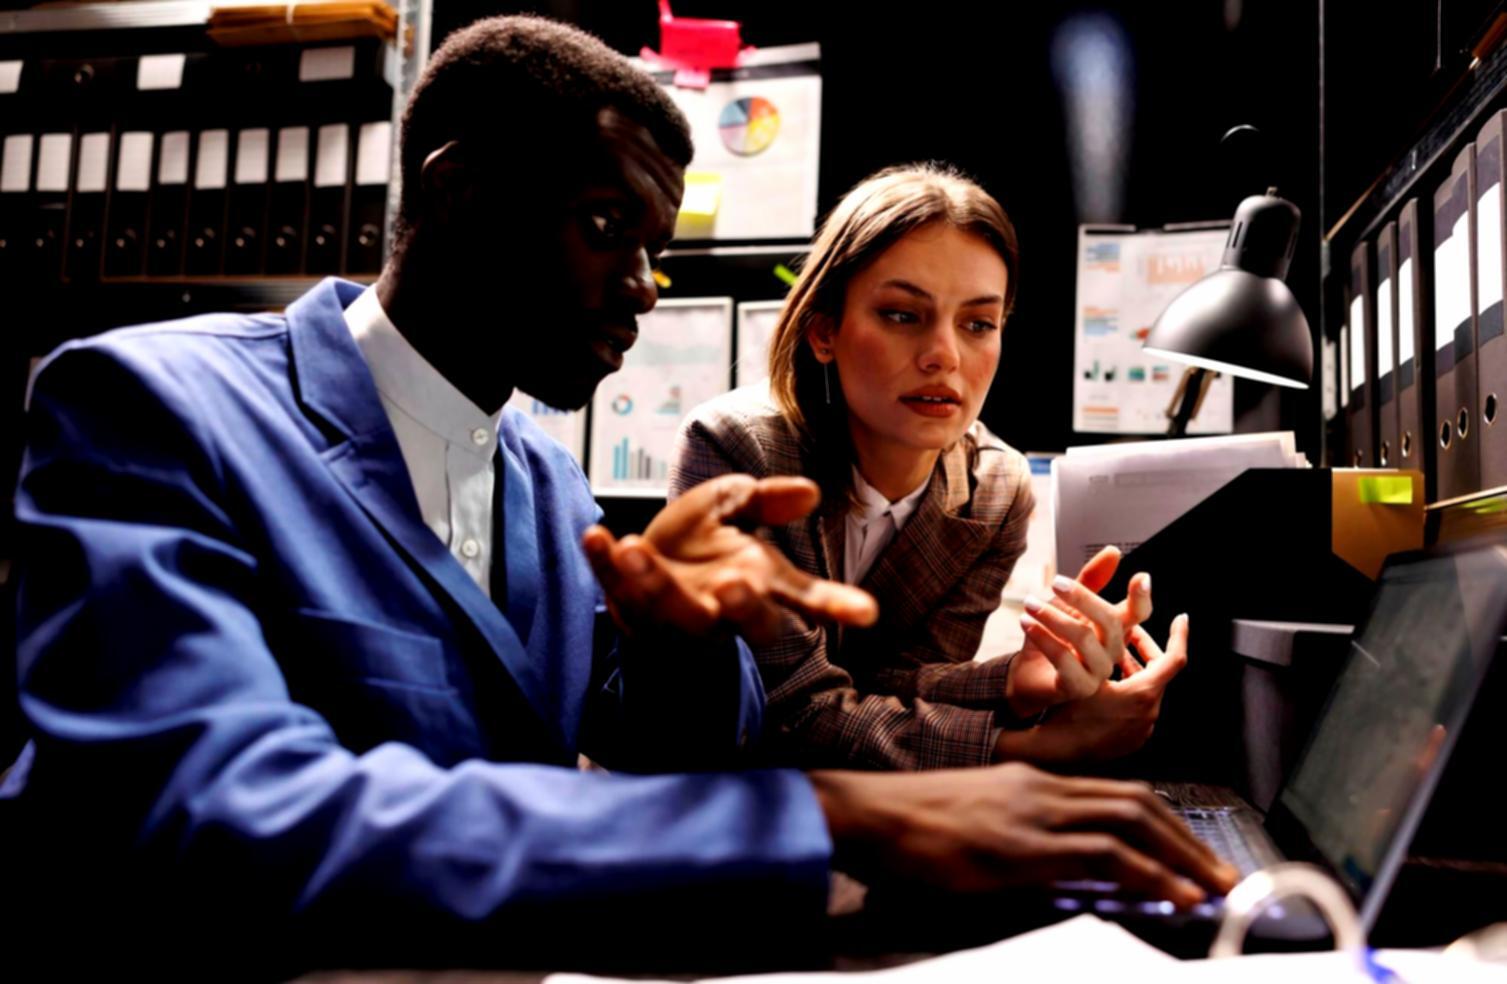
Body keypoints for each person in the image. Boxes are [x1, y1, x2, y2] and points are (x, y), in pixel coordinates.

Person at [5, 17, 1233, 975]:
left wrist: (684, 650)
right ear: (458, 190)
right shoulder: (149, 408)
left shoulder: (542, 474)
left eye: (656, 248)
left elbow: (652, 760)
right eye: (607, 228)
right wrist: (839, 816)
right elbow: (216, 816)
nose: (646, 288)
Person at [671, 165, 1186, 771]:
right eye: (901, 314)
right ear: (823, 333)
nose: (944, 355)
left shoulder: (996, 490)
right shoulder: (738, 451)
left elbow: (896, 684)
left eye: (978, 324)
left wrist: (1018, 682)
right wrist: (1031, 748)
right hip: (706, 803)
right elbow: (790, 715)